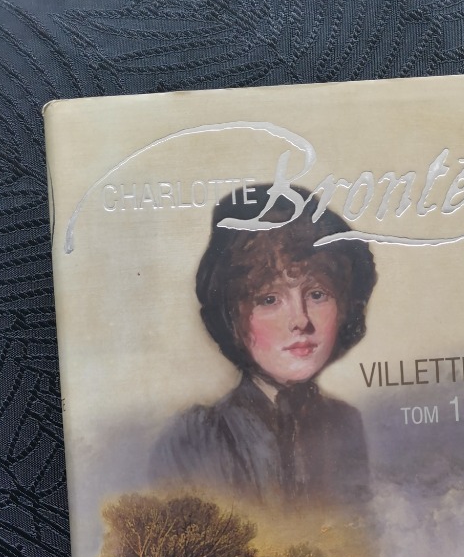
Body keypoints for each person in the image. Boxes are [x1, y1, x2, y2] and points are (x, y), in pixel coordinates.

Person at [150, 185, 378, 507]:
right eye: (269, 299)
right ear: (233, 318)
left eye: (317, 295)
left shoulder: (344, 424)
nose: (300, 320)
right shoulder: (197, 438)